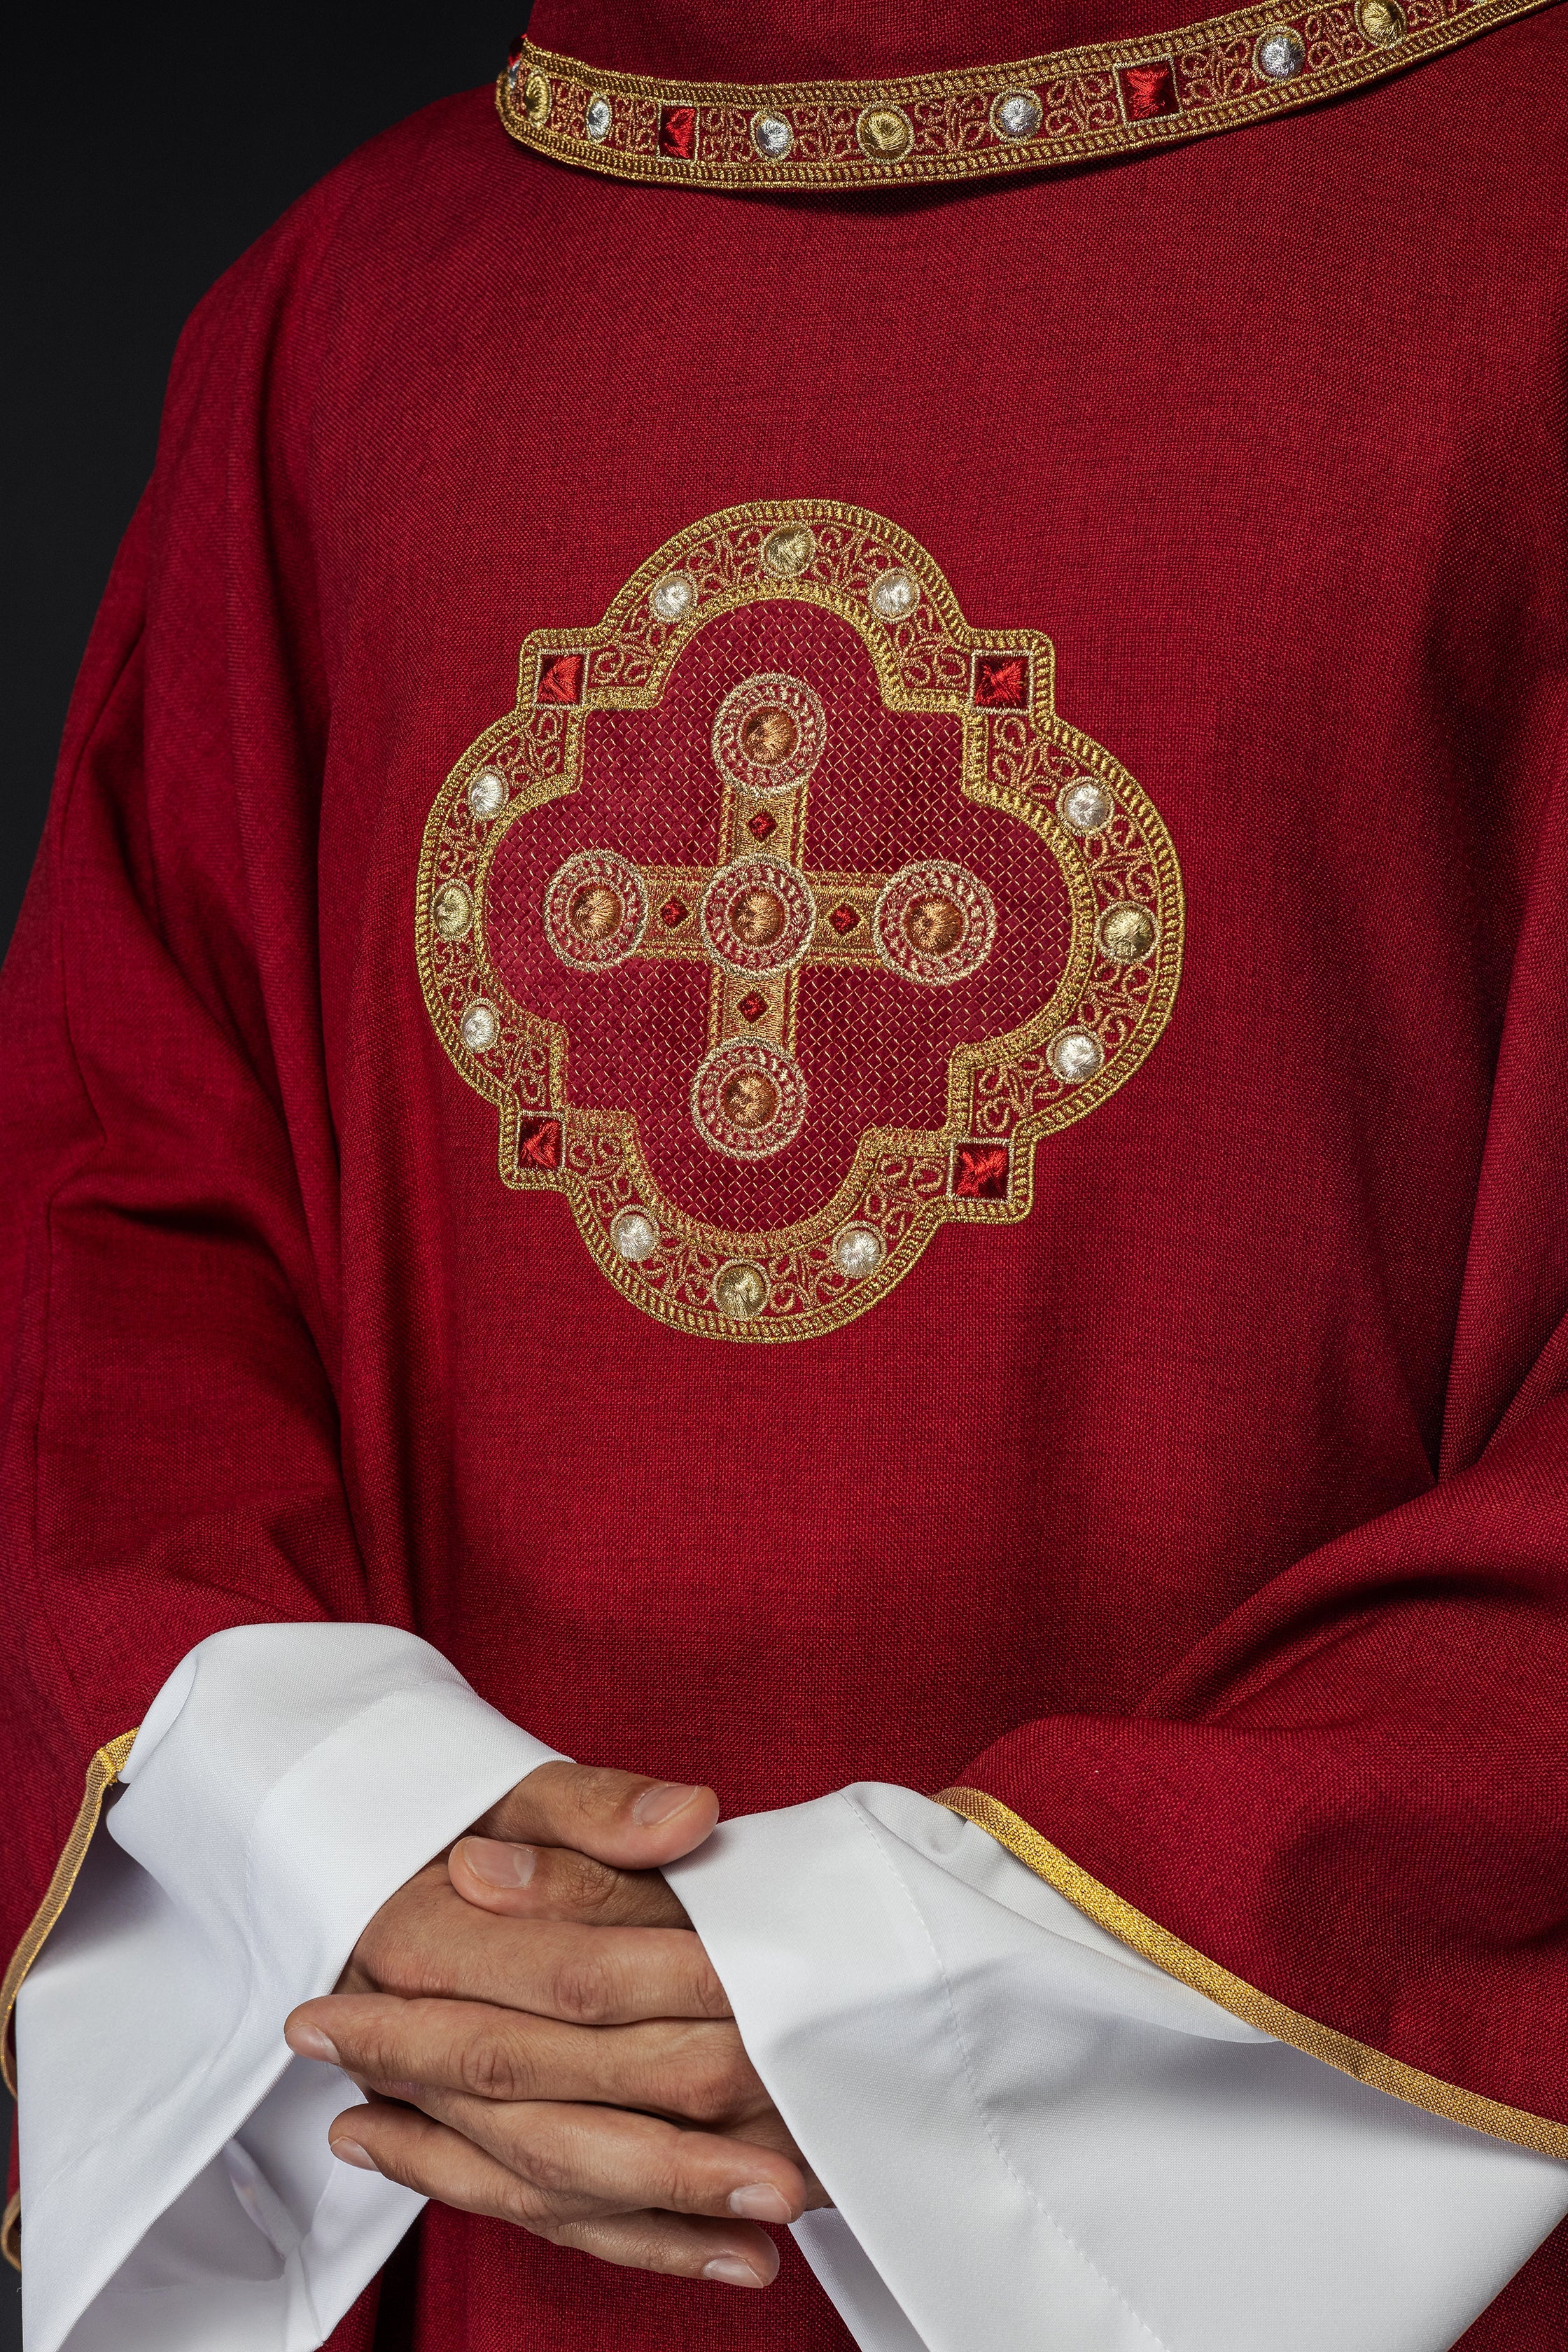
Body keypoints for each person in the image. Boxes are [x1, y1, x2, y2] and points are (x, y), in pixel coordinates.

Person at [6, 0, 1568, 2346]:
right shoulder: (343, 311)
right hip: (450, 2115)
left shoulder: (1523, 224)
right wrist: (341, 1829)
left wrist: (948, 2004)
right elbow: (115, 1187)